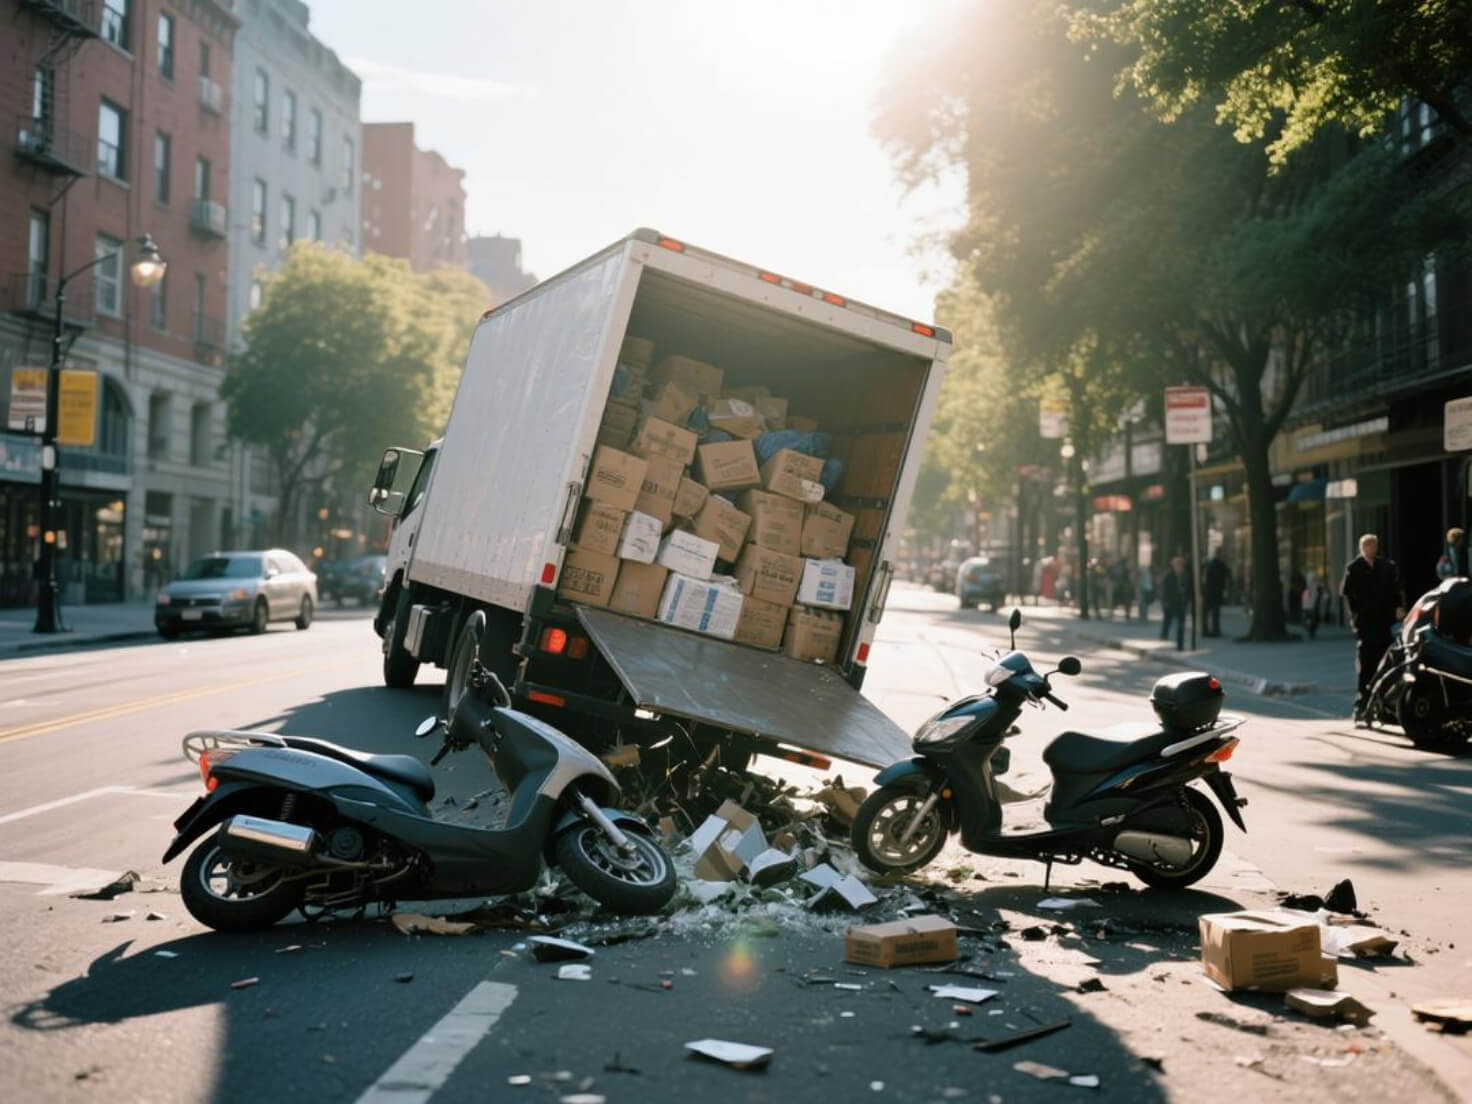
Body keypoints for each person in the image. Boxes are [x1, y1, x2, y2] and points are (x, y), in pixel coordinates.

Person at [1341, 533, 1404, 722]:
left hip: (1383, 621)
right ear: (1361, 548)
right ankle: (1363, 701)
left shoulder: (1386, 566)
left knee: (1385, 660)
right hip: (1366, 622)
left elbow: (1395, 589)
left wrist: (1398, 607)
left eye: (1373, 546)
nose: (1371, 549)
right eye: (1367, 546)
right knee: (1366, 662)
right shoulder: (1354, 568)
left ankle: (1385, 703)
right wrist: (1353, 617)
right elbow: (1348, 595)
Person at [1159, 555, 1190, 650]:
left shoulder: (1185, 575)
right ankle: (1164, 636)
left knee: (1180, 623)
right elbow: (1164, 590)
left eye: (1181, 565)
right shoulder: (1168, 576)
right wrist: (1165, 601)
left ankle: (1179, 645)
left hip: (1180, 602)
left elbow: (1188, 587)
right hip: (1170, 602)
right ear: (1173, 565)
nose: (1179, 567)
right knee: (1168, 620)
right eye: (1177, 565)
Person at [1202, 550, 1230, 637]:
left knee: (1207, 612)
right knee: (1214, 613)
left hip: (1210, 592)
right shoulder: (1221, 566)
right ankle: (1214, 630)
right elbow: (1228, 576)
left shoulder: (1210, 565)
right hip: (1216, 592)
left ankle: (1206, 630)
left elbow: (1204, 579)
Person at [1303, 564, 1324, 640]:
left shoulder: (1309, 591)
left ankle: (1310, 629)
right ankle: (1311, 630)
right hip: (1311, 607)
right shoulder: (1313, 590)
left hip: (1310, 607)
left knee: (1310, 618)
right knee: (1312, 618)